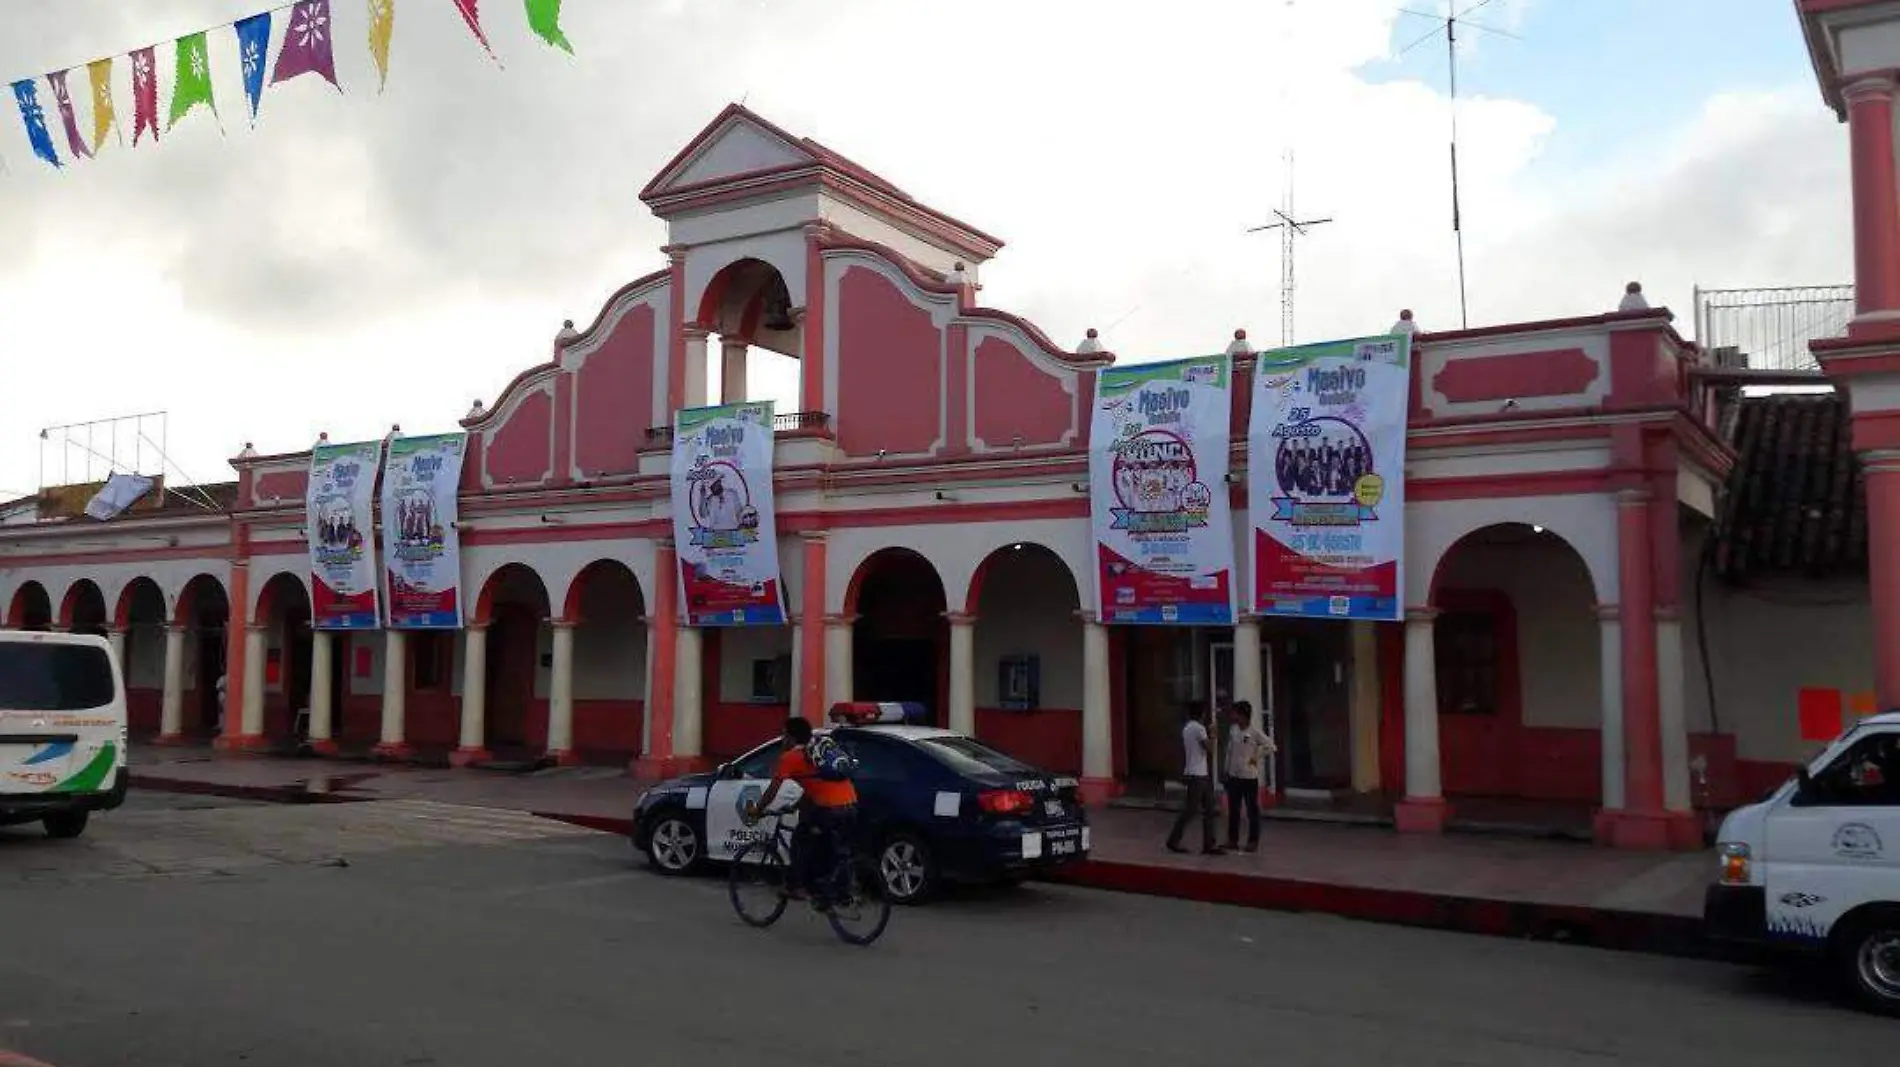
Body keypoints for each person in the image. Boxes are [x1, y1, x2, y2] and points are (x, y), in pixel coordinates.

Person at [749, 716, 859, 907]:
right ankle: (839, 892)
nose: (782, 740)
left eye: (784, 736)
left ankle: (797, 887)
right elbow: (814, 789)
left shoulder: (790, 758)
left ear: (791, 738)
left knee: (800, 840)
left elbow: (773, 789)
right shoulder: (818, 753)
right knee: (836, 850)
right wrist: (795, 806)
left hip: (829, 808)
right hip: (850, 804)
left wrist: (759, 809)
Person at [1166, 705, 1223, 856]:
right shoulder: (1199, 729)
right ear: (1202, 714)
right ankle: (1173, 839)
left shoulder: (1186, 728)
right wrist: (1214, 734)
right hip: (1199, 774)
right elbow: (1210, 748)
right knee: (1192, 809)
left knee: (1207, 808)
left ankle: (1209, 844)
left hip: (1196, 772)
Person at [1222, 701, 1274, 852]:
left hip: (1249, 777)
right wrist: (1226, 769)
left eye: (1235, 713)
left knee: (1252, 810)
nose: (1233, 716)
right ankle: (1232, 839)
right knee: (1234, 810)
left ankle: (1253, 841)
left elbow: (1270, 746)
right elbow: (1229, 751)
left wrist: (1255, 757)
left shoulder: (1254, 731)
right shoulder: (1233, 730)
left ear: (1243, 715)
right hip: (1234, 775)